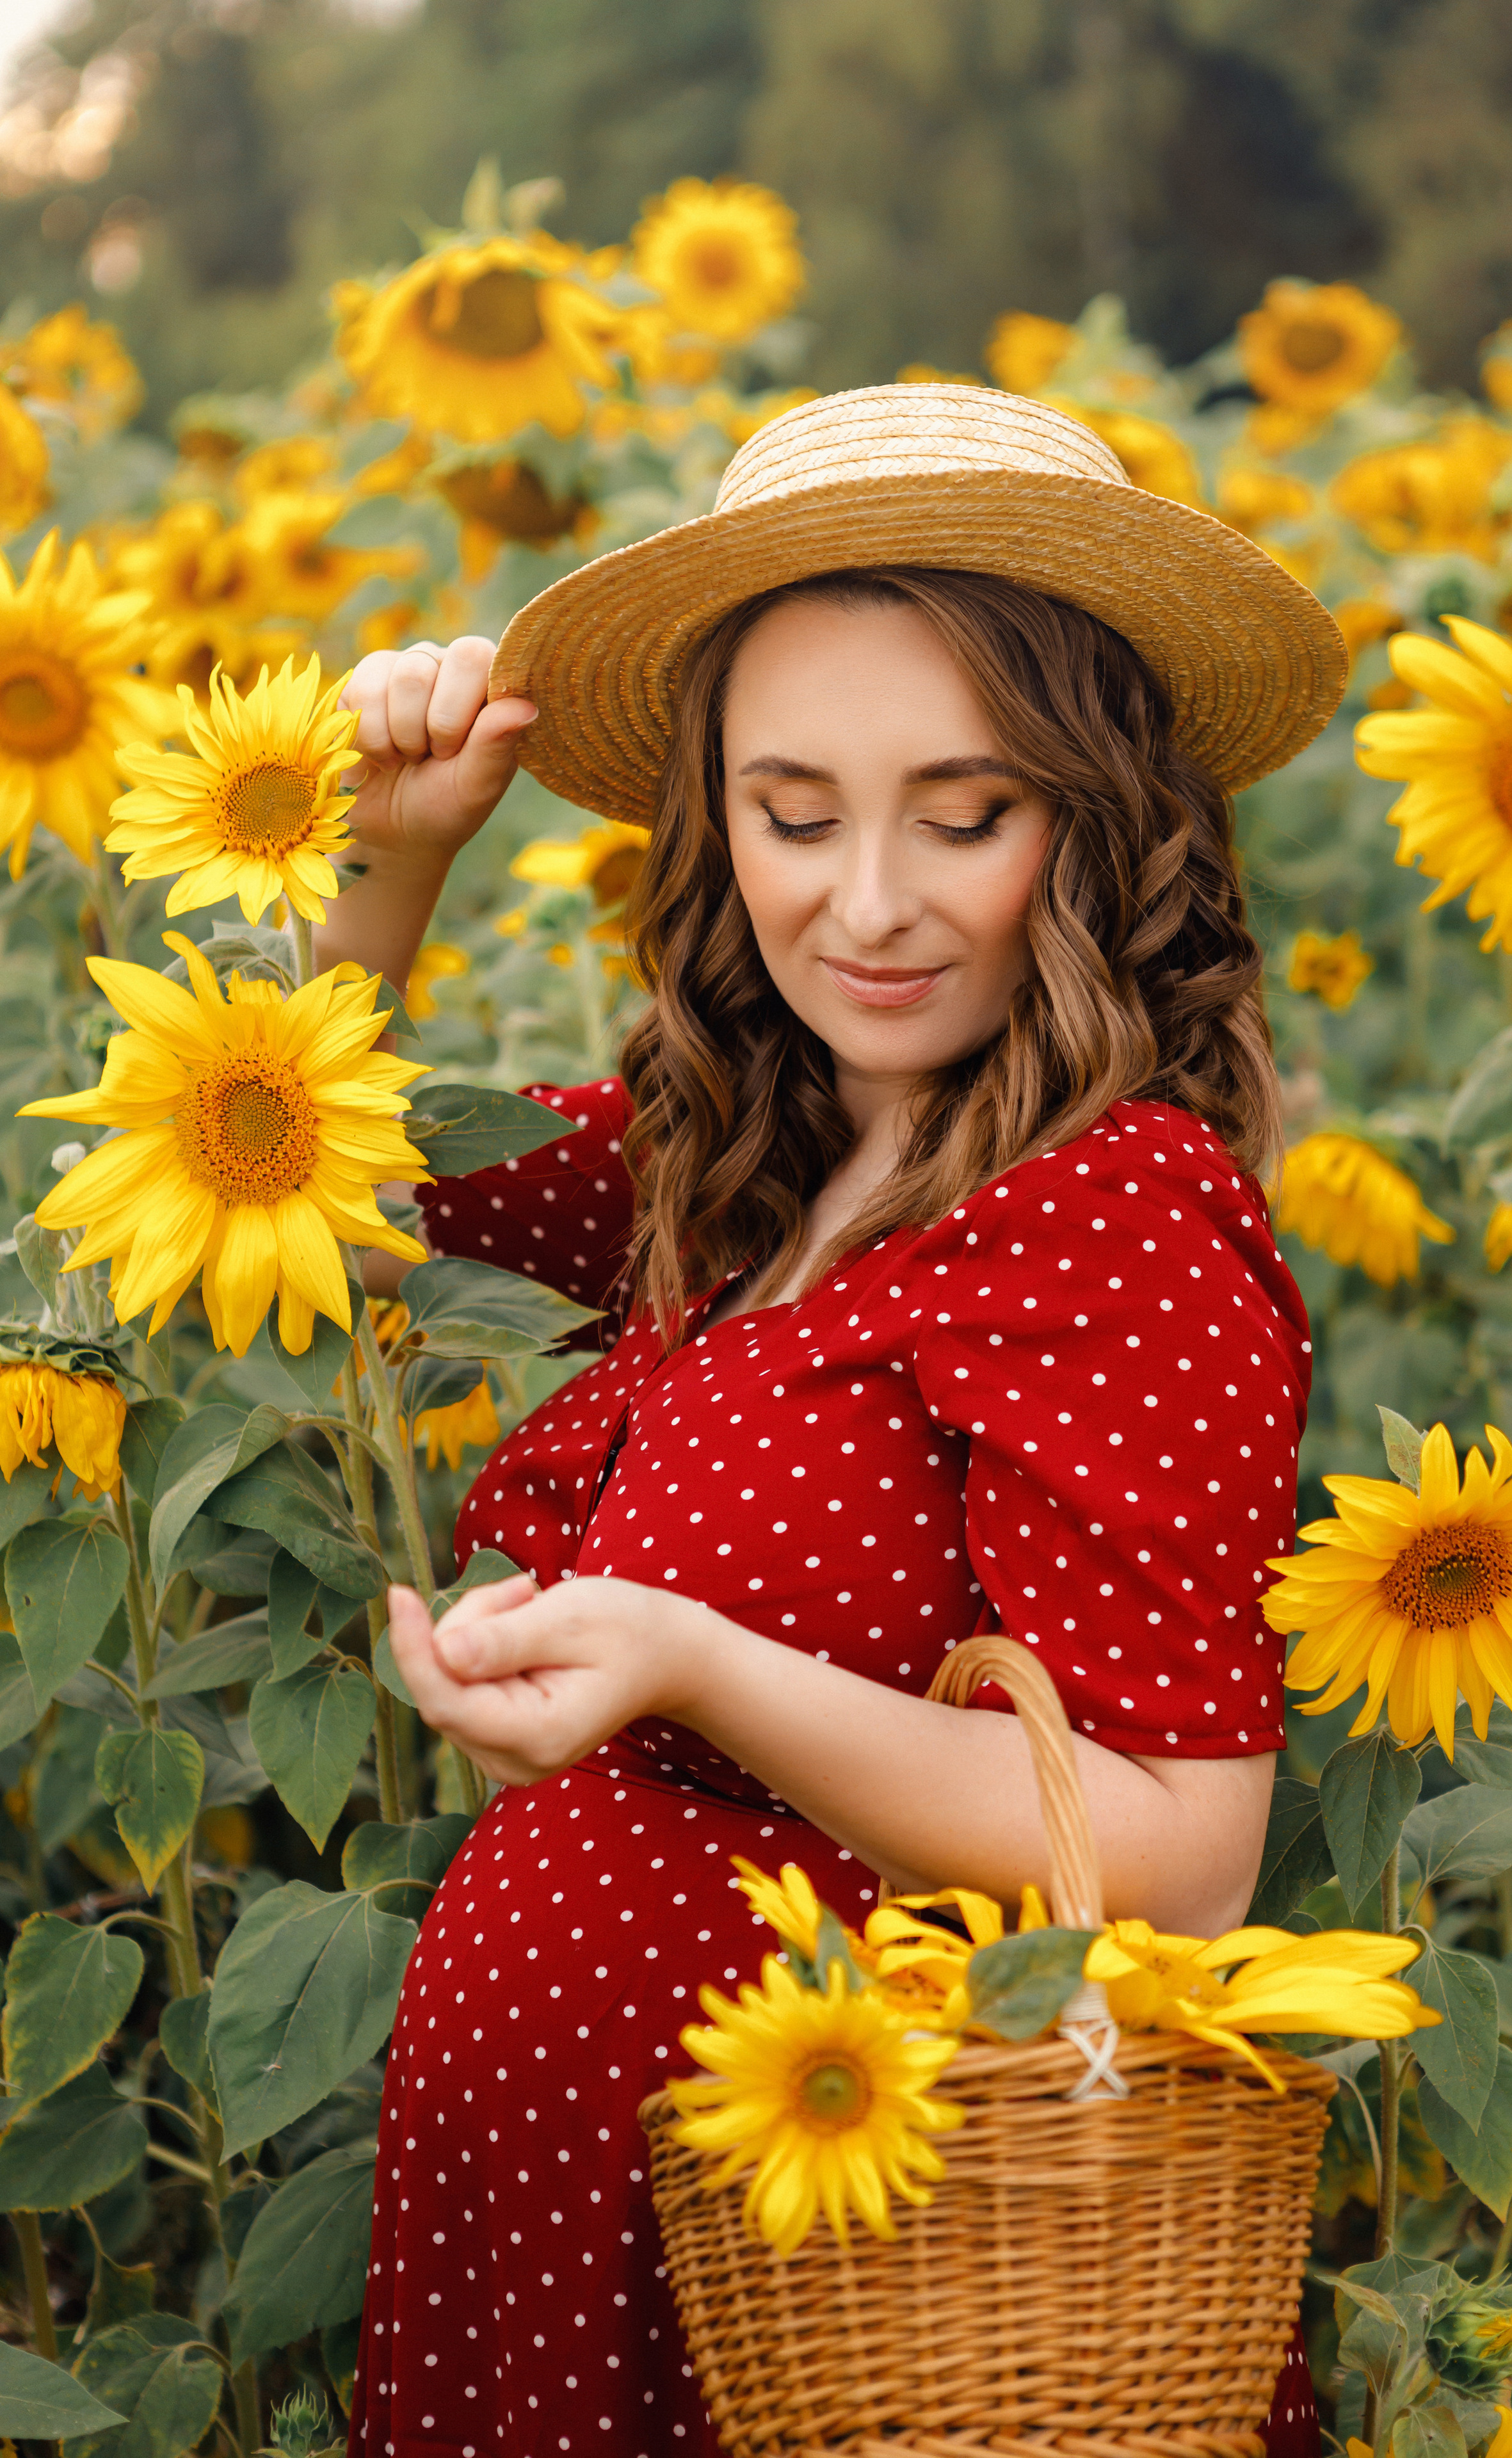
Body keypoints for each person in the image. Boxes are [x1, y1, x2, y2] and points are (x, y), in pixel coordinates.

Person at [330, 386, 1346, 2458]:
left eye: (962, 814)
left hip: (871, 2280)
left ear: (1099, 814)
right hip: (571, 2246)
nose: (868, 904)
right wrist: (393, 858)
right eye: (795, 815)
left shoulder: (1117, 1212)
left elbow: (1179, 1855)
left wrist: (701, 1666)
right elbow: (320, 1208)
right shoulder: (746, 1159)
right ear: (717, 818)